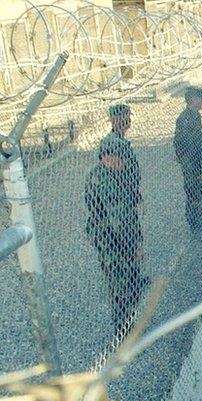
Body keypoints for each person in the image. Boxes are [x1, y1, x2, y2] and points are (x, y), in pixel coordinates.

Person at [85, 136, 148, 336]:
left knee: (127, 278)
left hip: (118, 234)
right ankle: (124, 329)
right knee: (119, 282)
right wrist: (134, 245)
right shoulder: (103, 180)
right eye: (120, 159)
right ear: (107, 157)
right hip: (111, 238)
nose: (124, 163)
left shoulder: (110, 173)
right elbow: (120, 218)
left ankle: (129, 321)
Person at [173, 86, 202, 232]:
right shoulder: (185, 119)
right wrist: (197, 169)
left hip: (198, 164)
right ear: (193, 100)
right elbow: (187, 148)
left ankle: (200, 222)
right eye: (201, 98)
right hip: (193, 166)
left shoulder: (195, 116)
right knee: (194, 194)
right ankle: (195, 226)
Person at [100, 103, 141, 208]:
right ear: (116, 120)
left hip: (126, 196)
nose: (128, 120)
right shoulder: (111, 142)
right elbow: (118, 172)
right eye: (125, 116)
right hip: (118, 199)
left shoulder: (120, 141)